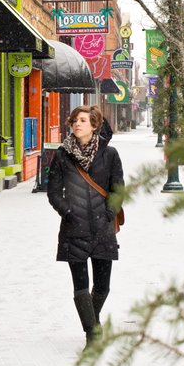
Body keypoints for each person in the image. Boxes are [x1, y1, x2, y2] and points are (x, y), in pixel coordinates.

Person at [47, 105, 124, 349]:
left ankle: (93, 320)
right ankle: (92, 334)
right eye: (74, 121)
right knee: (80, 286)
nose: (76, 124)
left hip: (102, 228)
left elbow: (118, 190)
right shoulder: (62, 155)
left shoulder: (110, 155)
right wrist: (67, 212)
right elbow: (53, 192)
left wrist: (108, 213)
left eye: (82, 120)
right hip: (74, 228)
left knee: (102, 286)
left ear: (94, 125)